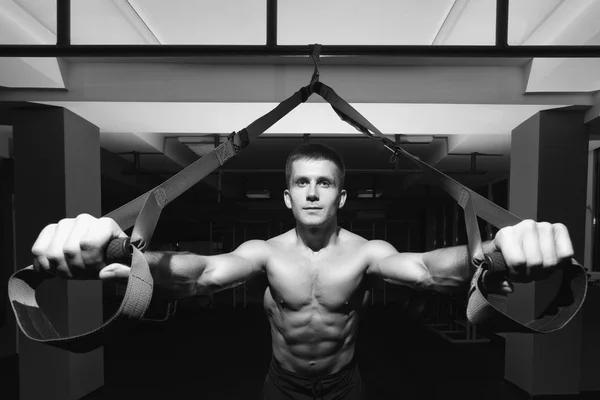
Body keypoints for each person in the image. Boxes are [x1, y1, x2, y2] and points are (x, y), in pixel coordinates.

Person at [31, 143, 574, 399]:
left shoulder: (368, 251)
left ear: (342, 194)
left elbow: (432, 269)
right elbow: (201, 273)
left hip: (346, 386)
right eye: (301, 183)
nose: (313, 191)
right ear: (288, 196)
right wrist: (124, 256)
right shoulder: (263, 251)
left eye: (325, 183)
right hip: (281, 386)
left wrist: (497, 253)